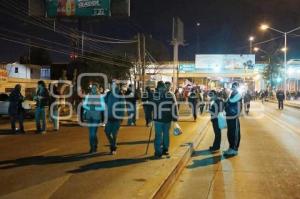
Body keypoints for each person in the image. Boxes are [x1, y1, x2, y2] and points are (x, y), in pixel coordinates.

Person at [152, 81, 178, 158]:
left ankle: (162, 150)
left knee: (163, 135)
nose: (161, 89)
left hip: (163, 119)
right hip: (160, 119)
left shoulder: (157, 95)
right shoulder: (157, 95)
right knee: (160, 135)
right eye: (161, 88)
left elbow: (174, 106)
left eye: (162, 88)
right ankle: (160, 151)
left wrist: (175, 117)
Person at [83, 83, 105, 153]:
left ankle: (93, 147)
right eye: (93, 87)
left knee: (92, 133)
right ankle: (93, 146)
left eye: (95, 87)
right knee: (91, 133)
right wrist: (88, 109)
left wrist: (94, 108)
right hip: (89, 117)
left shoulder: (100, 97)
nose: (94, 89)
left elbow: (103, 107)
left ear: (98, 88)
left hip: (96, 117)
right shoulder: (88, 96)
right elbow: (84, 106)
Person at [104, 81, 125, 155]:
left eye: (114, 85)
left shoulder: (120, 94)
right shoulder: (108, 94)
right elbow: (104, 104)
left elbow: (122, 107)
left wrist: (121, 117)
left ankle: (113, 148)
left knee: (114, 133)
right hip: (109, 116)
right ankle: (113, 144)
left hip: (117, 117)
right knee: (107, 132)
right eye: (111, 84)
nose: (112, 86)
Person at [224, 82, 242, 156]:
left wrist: (227, 95)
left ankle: (234, 149)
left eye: (235, 86)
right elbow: (226, 103)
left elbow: (232, 102)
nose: (233, 88)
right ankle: (231, 148)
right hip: (229, 116)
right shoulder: (232, 94)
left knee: (234, 133)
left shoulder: (238, 95)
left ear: (237, 87)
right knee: (230, 133)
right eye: (233, 86)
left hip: (233, 116)